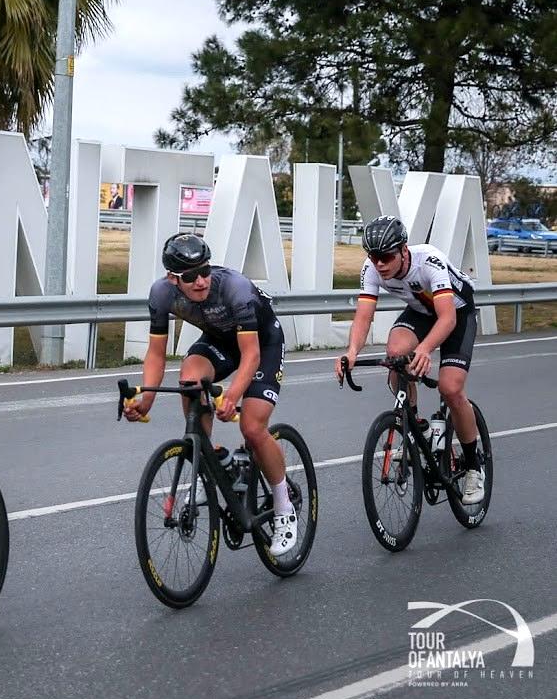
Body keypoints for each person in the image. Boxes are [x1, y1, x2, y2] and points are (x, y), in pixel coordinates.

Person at [121, 233, 297, 556]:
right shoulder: (161, 294)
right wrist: (145, 399)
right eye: (190, 276)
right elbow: (157, 354)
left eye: (205, 271)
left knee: (253, 428)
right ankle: (213, 460)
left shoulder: (234, 288)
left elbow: (252, 356)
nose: (201, 281)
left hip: (261, 343)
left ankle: (284, 506)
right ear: (173, 278)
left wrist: (232, 395)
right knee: (189, 378)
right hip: (220, 341)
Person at [333, 215, 485, 504]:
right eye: (373, 256)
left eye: (386, 256)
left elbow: (447, 318)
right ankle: (417, 427)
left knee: (450, 388)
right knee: (395, 357)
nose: (379, 263)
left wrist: (426, 349)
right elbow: (363, 317)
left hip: (456, 314)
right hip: (421, 311)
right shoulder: (372, 268)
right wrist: (351, 352)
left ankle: (474, 467)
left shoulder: (429, 261)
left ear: (403, 250)